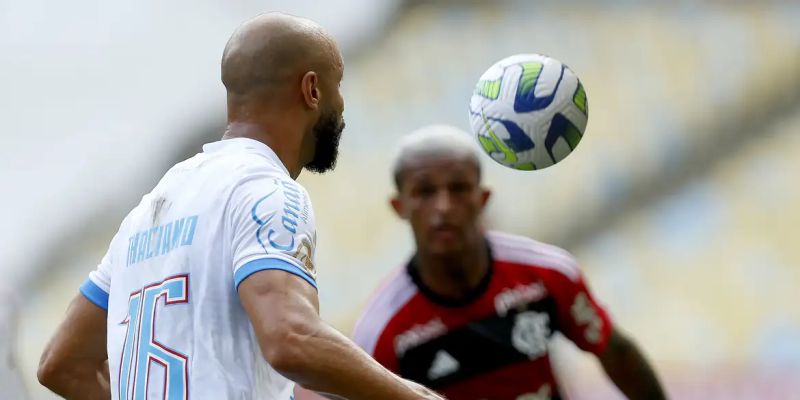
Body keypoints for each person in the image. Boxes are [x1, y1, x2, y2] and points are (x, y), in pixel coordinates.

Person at [37, 13, 443, 400]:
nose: (341, 104)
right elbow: (292, 340)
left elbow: (62, 363)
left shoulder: (149, 209)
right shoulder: (266, 189)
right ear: (312, 90)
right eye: (339, 86)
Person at [350, 125, 666, 400]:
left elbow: (618, 355)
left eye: (459, 188)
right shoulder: (380, 330)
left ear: (482, 199)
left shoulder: (547, 274)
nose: (443, 207)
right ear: (399, 206)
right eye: (425, 192)